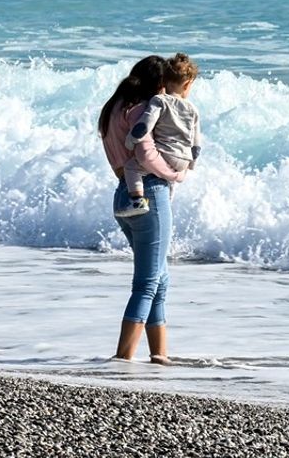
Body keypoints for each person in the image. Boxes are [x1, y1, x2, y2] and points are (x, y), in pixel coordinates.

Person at [98, 54, 188, 365]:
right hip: (150, 194)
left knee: (159, 278)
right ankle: (124, 356)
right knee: (149, 281)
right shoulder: (141, 110)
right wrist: (174, 174)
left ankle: (159, 354)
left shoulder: (114, 109)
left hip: (125, 195)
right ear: (160, 85)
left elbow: (119, 157)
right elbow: (145, 150)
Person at [116, 53, 202, 218]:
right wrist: (191, 164)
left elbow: (144, 125)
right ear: (186, 84)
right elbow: (196, 145)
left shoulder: (160, 101)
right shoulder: (193, 109)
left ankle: (137, 201)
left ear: (164, 82)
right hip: (182, 159)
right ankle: (166, 207)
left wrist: (131, 140)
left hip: (165, 153)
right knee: (170, 183)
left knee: (131, 167)